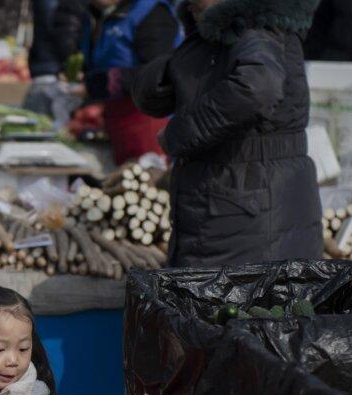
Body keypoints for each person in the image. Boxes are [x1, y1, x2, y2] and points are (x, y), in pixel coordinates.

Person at [132, 0, 322, 268]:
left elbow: (257, 88)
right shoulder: (221, 32)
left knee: (234, 304)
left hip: (245, 207)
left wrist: (181, 132)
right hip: (236, 203)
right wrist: (167, 76)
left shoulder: (255, 27)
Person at [52, 0, 182, 163]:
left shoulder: (154, 13)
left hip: (148, 122)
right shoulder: (93, 14)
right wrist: (76, 75)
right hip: (115, 122)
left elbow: (157, 73)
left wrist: (96, 85)